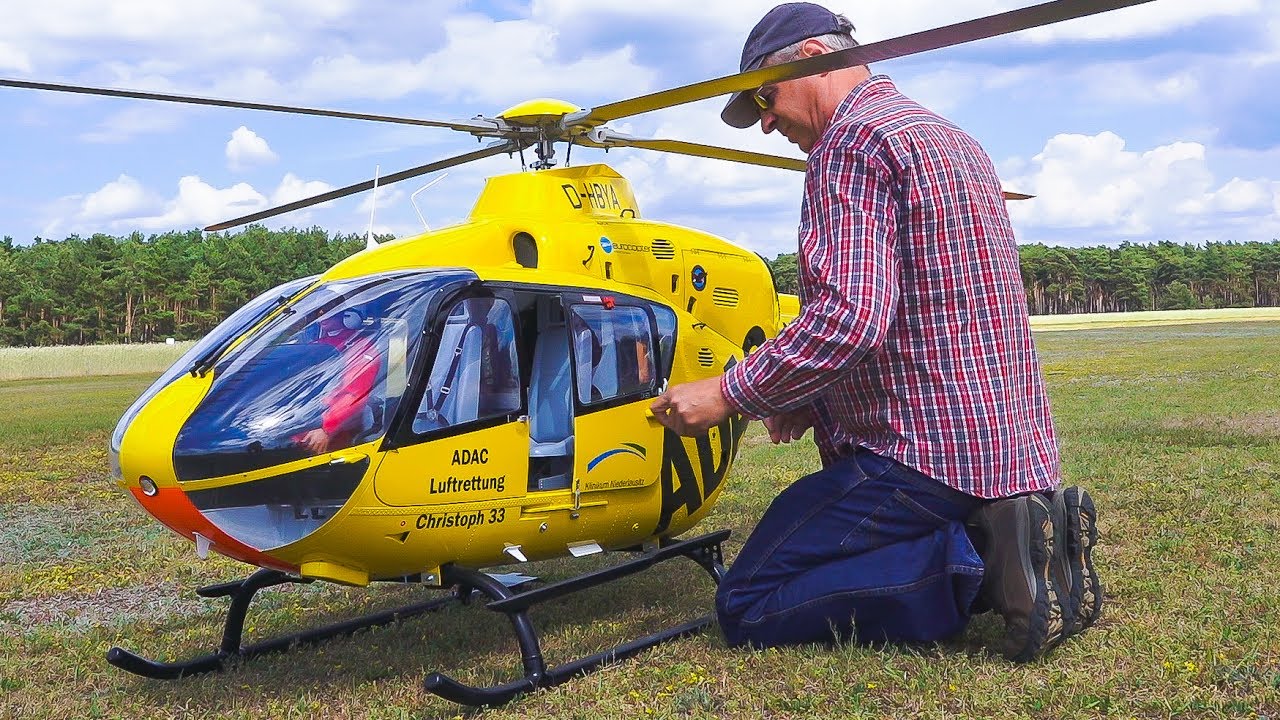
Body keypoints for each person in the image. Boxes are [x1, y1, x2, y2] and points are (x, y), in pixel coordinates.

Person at [649, 2, 1101, 661]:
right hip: (1007, 453)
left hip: (919, 459)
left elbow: (850, 318)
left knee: (747, 602)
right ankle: (1019, 526)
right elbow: (927, 312)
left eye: (765, 98)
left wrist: (728, 393)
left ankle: (982, 561)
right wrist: (809, 394)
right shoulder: (951, 139)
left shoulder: (848, 144)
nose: (767, 122)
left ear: (813, 59)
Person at [297, 307, 383, 453]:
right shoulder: (315, 345)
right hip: (300, 425)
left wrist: (326, 428)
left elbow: (355, 394)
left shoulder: (360, 347)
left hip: (332, 436)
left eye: (328, 308)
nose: (322, 314)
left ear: (347, 314)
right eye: (318, 310)